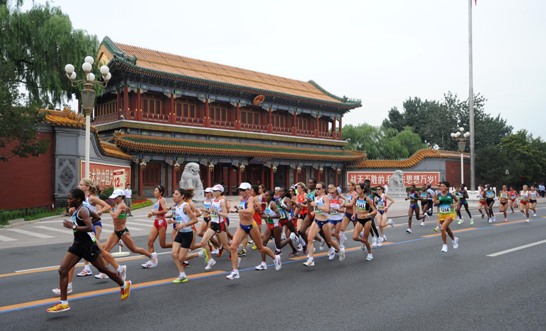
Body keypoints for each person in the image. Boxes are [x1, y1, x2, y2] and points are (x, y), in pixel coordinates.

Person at [47, 189, 131, 313]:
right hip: (77, 244)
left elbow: (89, 226)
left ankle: (124, 284)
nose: (68, 200)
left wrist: (74, 226)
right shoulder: (79, 209)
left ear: (78, 199)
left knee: (103, 269)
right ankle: (63, 303)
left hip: (87, 245)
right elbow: (97, 217)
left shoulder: (83, 211)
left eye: (70, 198)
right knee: (63, 270)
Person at [227, 182, 281, 279]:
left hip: (251, 226)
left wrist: (236, 211)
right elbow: (244, 208)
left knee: (261, 248)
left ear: (248, 190)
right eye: (240, 190)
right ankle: (235, 271)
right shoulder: (241, 199)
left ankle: (276, 258)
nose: (241, 192)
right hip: (242, 225)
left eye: (243, 190)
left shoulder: (251, 198)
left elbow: (249, 210)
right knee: (233, 247)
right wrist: (237, 208)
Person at [102, 189, 158, 268]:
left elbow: (115, 216)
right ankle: (105, 271)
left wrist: (109, 210)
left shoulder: (121, 205)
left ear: (121, 197)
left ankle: (152, 255)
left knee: (134, 249)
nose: (114, 199)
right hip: (116, 232)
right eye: (113, 198)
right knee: (106, 250)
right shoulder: (117, 204)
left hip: (123, 232)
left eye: (115, 198)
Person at [166, 188, 209, 283]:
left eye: (176, 194)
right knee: (174, 254)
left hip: (187, 234)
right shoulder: (177, 207)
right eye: (173, 194)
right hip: (180, 233)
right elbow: (181, 219)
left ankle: (200, 253)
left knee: (181, 258)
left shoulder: (185, 206)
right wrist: (173, 221)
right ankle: (182, 275)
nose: (174, 196)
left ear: (182, 196)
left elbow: (195, 220)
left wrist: (183, 225)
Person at [303, 182, 345, 266]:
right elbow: (316, 209)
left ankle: (340, 251)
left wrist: (316, 205)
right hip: (316, 220)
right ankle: (311, 260)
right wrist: (313, 210)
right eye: (316, 188)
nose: (317, 190)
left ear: (323, 189)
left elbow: (327, 210)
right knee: (310, 238)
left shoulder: (325, 197)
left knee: (329, 241)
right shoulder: (316, 197)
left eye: (319, 189)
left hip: (325, 222)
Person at [142, 185, 172, 268]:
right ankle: (152, 261)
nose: (154, 192)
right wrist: (151, 214)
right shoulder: (157, 201)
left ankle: (178, 245)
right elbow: (157, 211)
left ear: (161, 192)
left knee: (163, 245)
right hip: (156, 222)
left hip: (162, 222)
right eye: (154, 190)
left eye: (156, 191)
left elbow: (164, 210)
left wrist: (154, 213)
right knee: (150, 242)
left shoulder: (162, 200)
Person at [352, 182, 378, 261]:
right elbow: (353, 205)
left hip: (367, 220)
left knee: (365, 239)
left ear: (363, 190)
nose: (357, 190)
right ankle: (363, 241)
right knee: (354, 237)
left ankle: (370, 253)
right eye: (356, 188)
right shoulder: (356, 198)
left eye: (358, 188)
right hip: (359, 220)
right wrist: (354, 213)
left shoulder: (367, 199)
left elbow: (375, 211)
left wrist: (368, 215)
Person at [433, 181, 459, 253]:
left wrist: (454, 205)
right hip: (442, 214)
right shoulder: (438, 195)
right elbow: (434, 201)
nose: (442, 187)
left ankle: (445, 245)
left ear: (447, 187)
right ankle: (454, 239)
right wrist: (436, 202)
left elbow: (457, 201)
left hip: (450, 213)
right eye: (441, 186)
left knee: (442, 228)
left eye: (443, 186)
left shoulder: (451, 195)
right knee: (447, 230)